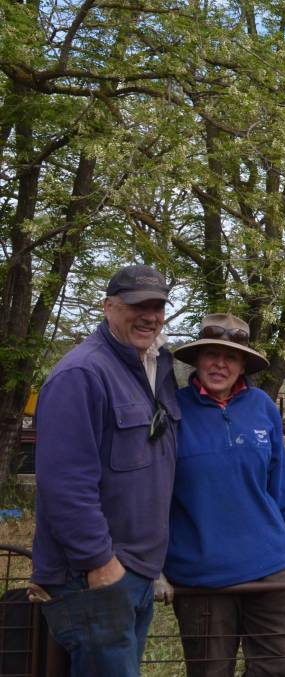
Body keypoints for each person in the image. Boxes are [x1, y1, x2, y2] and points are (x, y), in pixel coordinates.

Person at [31, 264, 179, 676]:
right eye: (137, 305)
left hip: (136, 568)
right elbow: (65, 484)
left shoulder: (152, 368)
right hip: (97, 574)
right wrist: (99, 563)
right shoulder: (82, 374)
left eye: (157, 306)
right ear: (109, 307)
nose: (149, 315)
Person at [164, 313, 285, 677]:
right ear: (197, 359)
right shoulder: (172, 412)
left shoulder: (262, 408)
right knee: (210, 670)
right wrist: (152, 563)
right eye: (211, 354)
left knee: (282, 666)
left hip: (269, 564)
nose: (219, 363)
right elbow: (153, 491)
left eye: (230, 356)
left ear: (243, 364)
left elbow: (280, 481)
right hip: (201, 570)